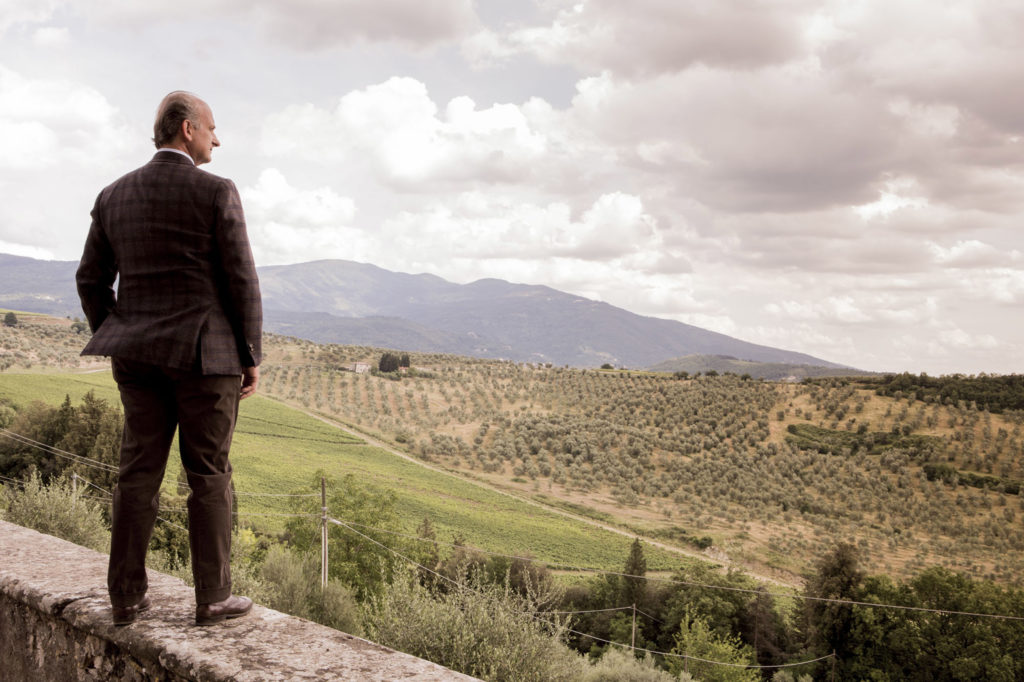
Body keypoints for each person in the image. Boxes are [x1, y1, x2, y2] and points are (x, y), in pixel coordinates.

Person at [76, 91, 262, 626]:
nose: (216, 139)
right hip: (207, 357)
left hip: (136, 357)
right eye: (211, 128)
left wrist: (119, 329)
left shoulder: (114, 195)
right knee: (208, 473)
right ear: (186, 130)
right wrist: (251, 354)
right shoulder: (216, 191)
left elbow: (90, 279)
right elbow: (241, 279)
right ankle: (213, 598)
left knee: (138, 472)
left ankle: (126, 597)